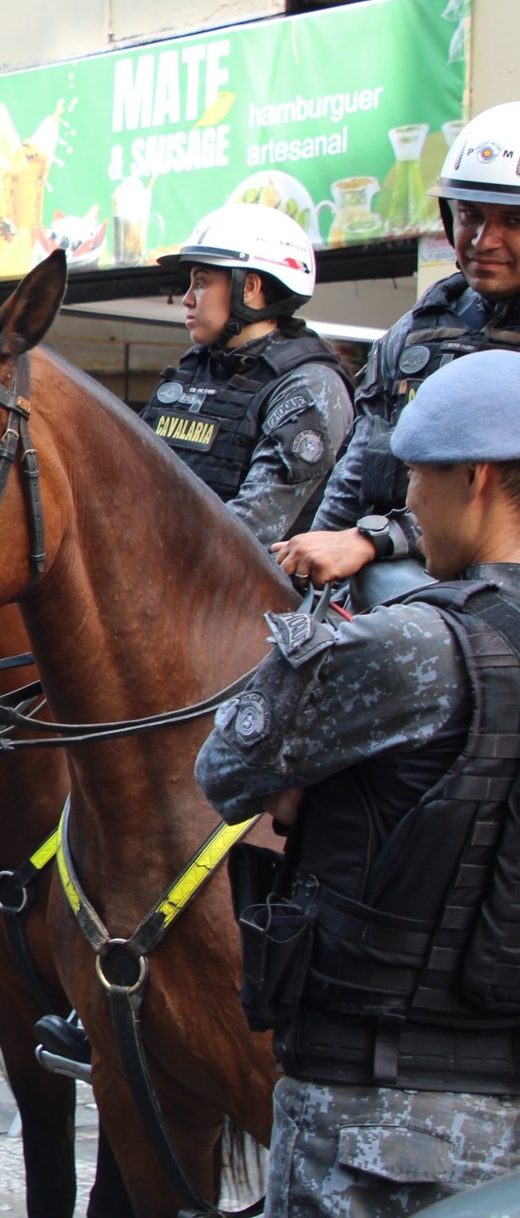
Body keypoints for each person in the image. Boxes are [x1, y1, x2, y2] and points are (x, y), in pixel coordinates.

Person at [196, 349, 520, 1217]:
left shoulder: (407, 645)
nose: (407, 505)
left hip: (379, 1117)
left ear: (477, 478)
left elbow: (224, 767)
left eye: (415, 477)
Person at [275, 102, 520, 591]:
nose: (482, 239)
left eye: (511, 221)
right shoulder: (416, 330)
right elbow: (359, 468)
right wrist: (311, 563)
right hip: (387, 589)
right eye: (469, 215)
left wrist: (377, 539)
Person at [140, 204, 353, 546]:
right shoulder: (197, 369)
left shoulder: (309, 386)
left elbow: (251, 531)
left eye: (201, 283)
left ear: (249, 287)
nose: (187, 299)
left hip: (265, 594)